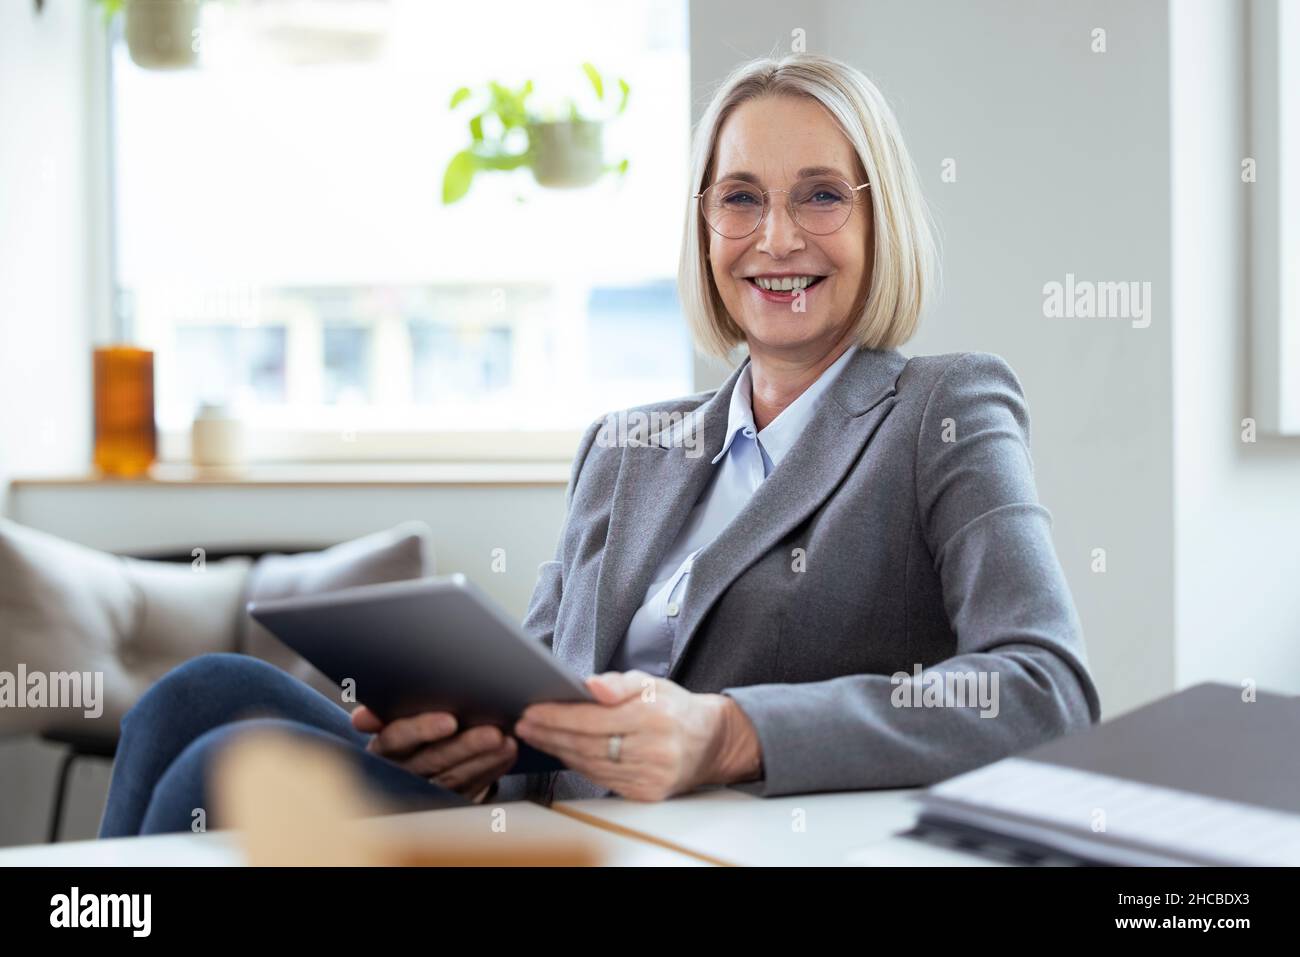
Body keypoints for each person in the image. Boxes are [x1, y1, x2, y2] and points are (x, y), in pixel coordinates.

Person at [100, 52, 1100, 837]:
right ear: (704, 226)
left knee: (212, 776)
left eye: (822, 195)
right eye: (740, 197)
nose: (777, 238)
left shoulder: (942, 408)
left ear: (881, 221)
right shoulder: (629, 444)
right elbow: (539, 692)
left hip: (673, 840)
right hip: (531, 813)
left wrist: (727, 734)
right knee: (197, 695)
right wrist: (477, 742)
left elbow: (1045, 690)